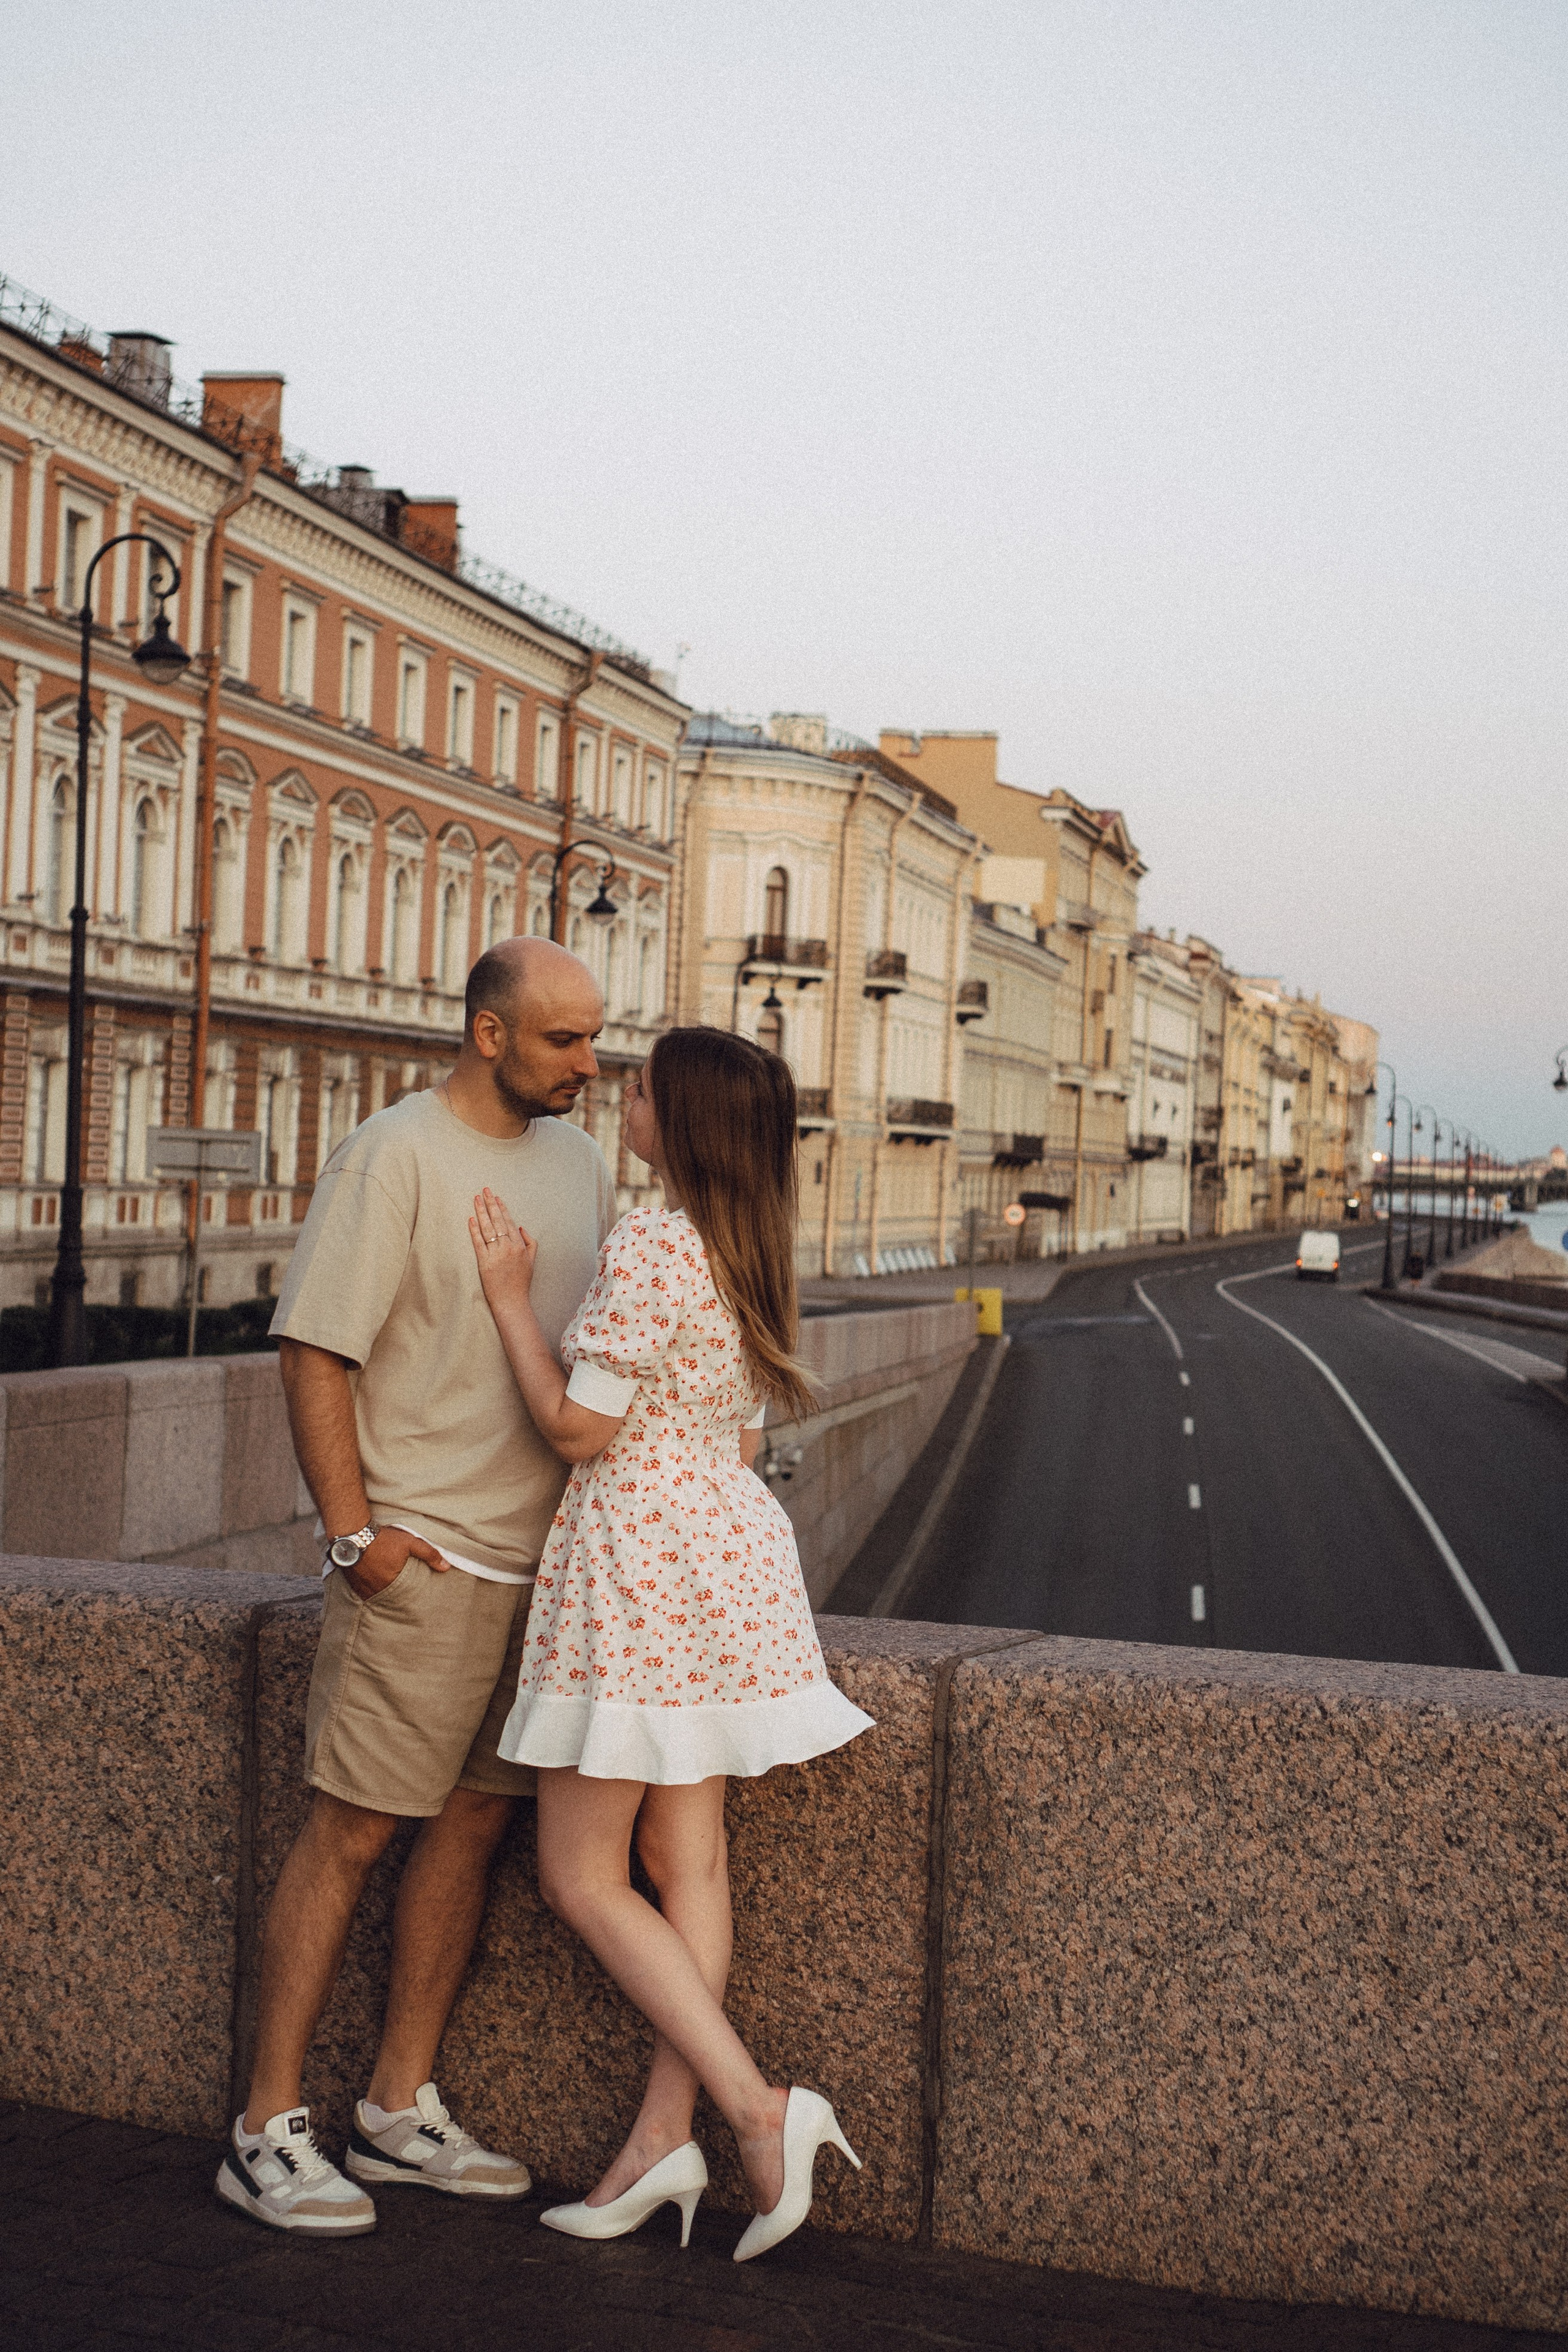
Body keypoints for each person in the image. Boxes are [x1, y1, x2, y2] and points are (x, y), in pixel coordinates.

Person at [216, 938, 617, 2238]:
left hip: (540, 1564)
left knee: (468, 1831)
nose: (588, 1063)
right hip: (424, 1559)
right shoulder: (392, 1155)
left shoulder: (579, 1162)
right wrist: (355, 1537)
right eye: (563, 1041)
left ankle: (397, 2111)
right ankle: (265, 2129)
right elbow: (313, 1349)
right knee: (351, 1832)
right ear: (488, 1035)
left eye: (594, 1036)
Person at [466, 1023, 873, 2263]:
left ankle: (756, 2109)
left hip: (639, 1562)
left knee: (581, 1876)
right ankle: (658, 2142)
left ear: (675, 1118)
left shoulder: (652, 1237)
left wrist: (505, 1303)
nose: (621, 1098)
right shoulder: (749, 1246)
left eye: (638, 1087)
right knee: (682, 1856)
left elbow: (577, 1429)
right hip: (726, 1559)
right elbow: (740, 1438)